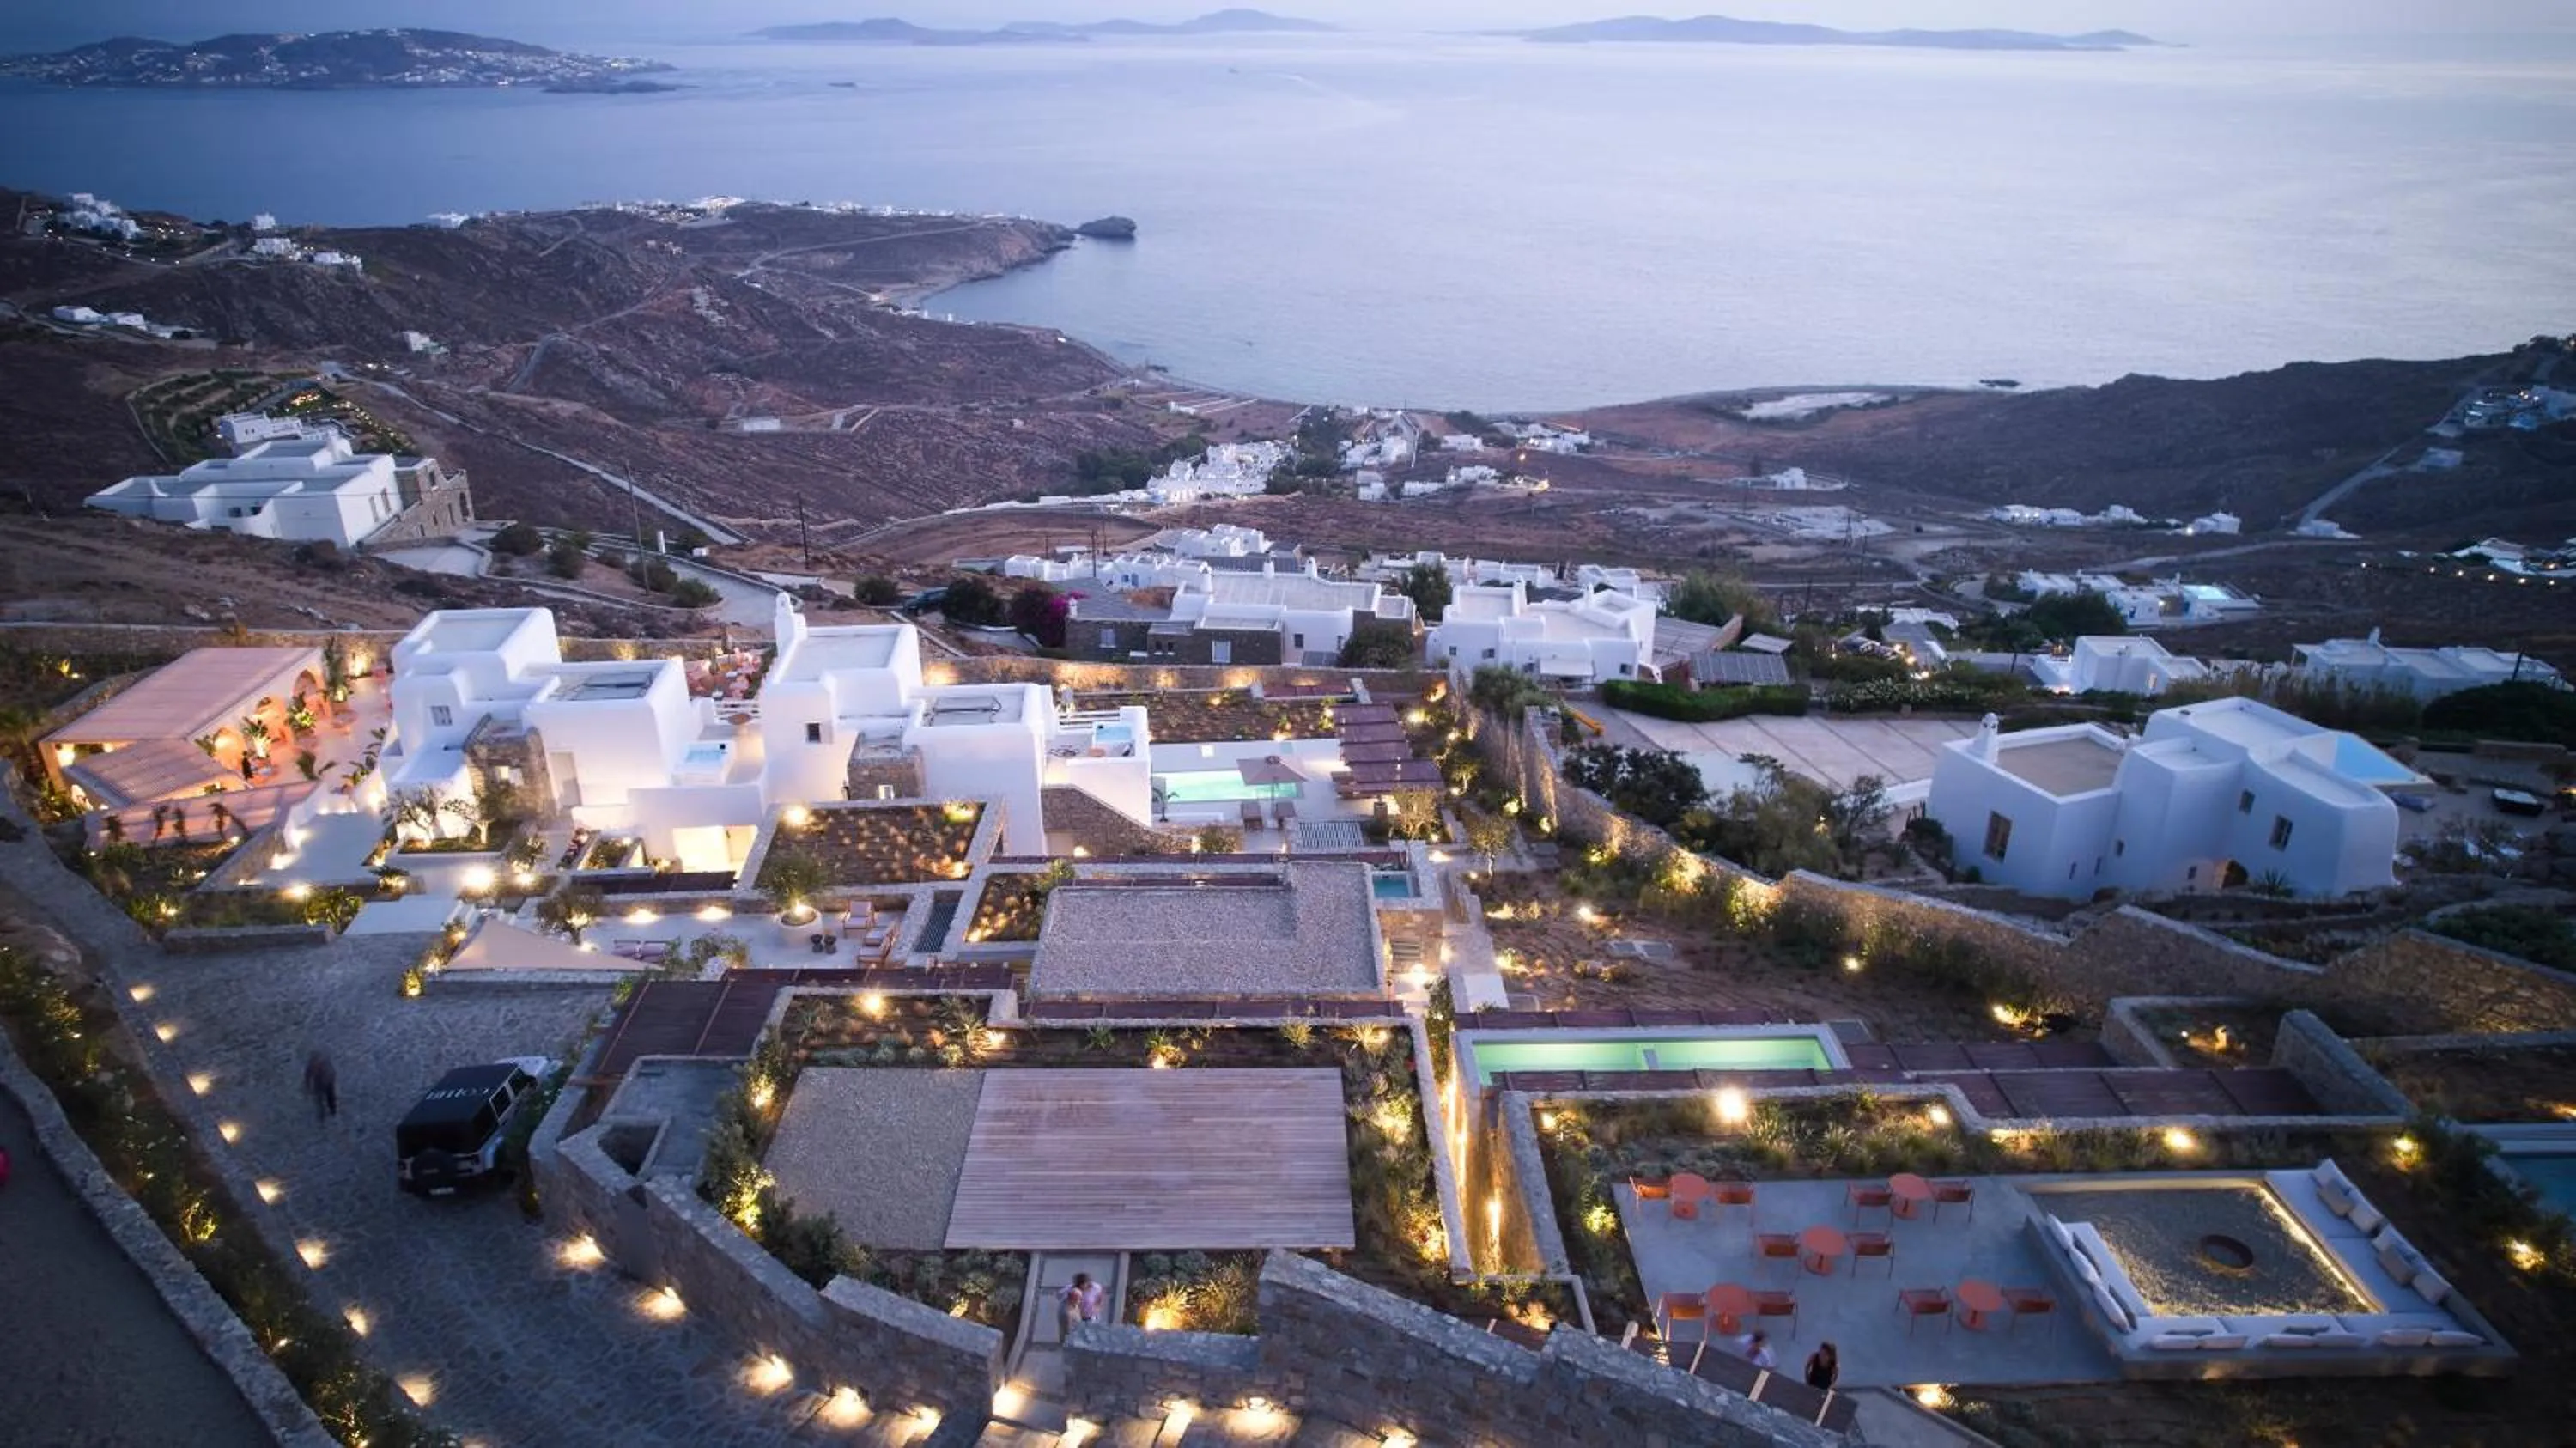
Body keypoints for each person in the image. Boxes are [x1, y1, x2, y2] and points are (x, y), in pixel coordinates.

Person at [1057, 1271, 1105, 1337]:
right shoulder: (1072, 1288)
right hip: (1078, 1316)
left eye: (1084, 1284)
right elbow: (1059, 1295)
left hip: (1091, 1316)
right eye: (1080, 1285)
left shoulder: (1096, 1288)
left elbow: (1100, 1298)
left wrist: (1097, 1308)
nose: (1082, 1287)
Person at [302, 1050, 339, 1123]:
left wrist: (308, 1086)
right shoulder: (312, 1065)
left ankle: (332, 1112)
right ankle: (323, 1115)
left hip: (326, 1081)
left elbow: (332, 1073)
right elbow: (307, 1076)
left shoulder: (323, 1063)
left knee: (329, 1097)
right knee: (320, 1099)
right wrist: (308, 1087)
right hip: (320, 1081)